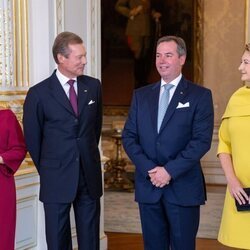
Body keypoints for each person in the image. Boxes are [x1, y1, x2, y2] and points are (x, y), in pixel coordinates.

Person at [122, 35, 214, 250]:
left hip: (183, 188)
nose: (162, 60)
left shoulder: (200, 95)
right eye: (158, 55)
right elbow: (129, 137)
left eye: (168, 55)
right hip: (149, 186)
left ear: (182, 59)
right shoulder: (141, 95)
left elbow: (201, 141)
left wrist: (169, 171)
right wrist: (151, 170)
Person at [23, 31, 103, 250]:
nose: (85, 61)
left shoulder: (93, 86)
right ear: (61, 58)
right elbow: (33, 139)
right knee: (57, 240)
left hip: (89, 174)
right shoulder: (38, 94)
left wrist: (84, 156)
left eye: (84, 55)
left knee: (90, 239)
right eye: (79, 57)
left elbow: (93, 130)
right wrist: (51, 168)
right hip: (56, 176)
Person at [217, 43, 250, 249]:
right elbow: (224, 144)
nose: (240, 67)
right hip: (240, 191)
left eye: (245, 62)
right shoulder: (237, 98)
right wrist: (232, 181)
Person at [115, 0, 160, 89]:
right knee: (137, 55)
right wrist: (130, 12)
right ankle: (138, 83)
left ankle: (143, 81)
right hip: (135, 29)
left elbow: (148, 9)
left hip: (146, 29)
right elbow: (118, 6)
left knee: (145, 55)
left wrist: (154, 14)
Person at [0, 108, 27, 250]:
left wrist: (1, 158)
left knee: (2, 236)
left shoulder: (7, 117)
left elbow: (19, 148)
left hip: (1, 186)